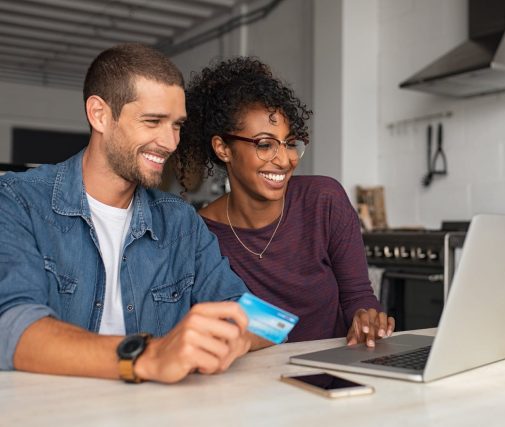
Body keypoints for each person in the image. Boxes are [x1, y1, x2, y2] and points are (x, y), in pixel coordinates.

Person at [0, 44, 263, 384]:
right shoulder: (18, 200)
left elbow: (265, 320)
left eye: (177, 125)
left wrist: (235, 335)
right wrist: (148, 355)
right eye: (153, 121)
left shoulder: (181, 221)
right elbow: (11, 326)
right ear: (99, 115)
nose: (170, 142)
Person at [175, 57, 394, 347]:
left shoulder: (324, 200)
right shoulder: (201, 234)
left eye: (290, 143)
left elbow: (358, 296)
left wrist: (367, 320)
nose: (284, 159)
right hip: (260, 386)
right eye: (265, 144)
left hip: (339, 376)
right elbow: (241, 324)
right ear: (223, 148)